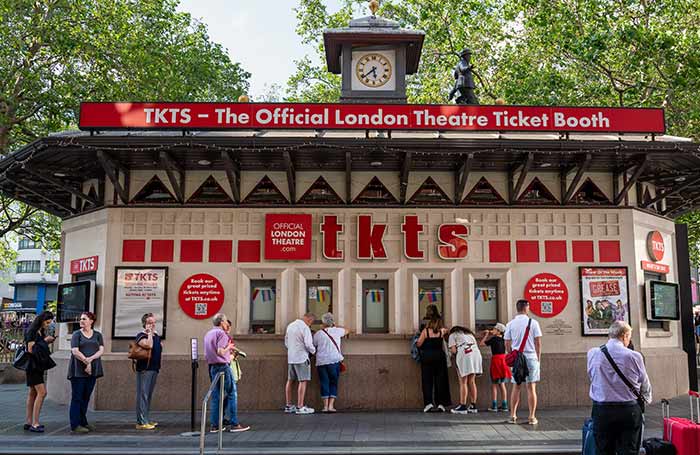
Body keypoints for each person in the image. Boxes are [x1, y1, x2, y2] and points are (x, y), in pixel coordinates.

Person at [587, 321, 652, 455]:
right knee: (629, 450)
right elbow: (645, 383)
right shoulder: (634, 356)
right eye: (629, 337)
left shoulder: (593, 353)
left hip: (602, 410)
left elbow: (592, 377)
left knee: (603, 450)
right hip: (628, 410)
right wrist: (646, 400)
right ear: (624, 336)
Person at [203, 313, 249, 432]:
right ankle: (234, 424)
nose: (226, 323)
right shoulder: (221, 334)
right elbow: (220, 351)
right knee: (232, 393)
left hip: (212, 366)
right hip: (223, 366)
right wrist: (229, 347)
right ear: (222, 322)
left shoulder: (208, 334)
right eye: (225, 321)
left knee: (216, 396)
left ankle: (215, 425)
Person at [504, 299, 542, 425]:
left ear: (517, 308)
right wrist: (538, 358)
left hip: (517, 359)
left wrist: (512, 355)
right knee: (531, 388)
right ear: (527, 308)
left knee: (516, 387)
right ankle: (532, 417)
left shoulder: (510, 324)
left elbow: (507, 343)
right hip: (531, 357)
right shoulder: (534, 323)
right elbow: (538, 342)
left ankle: (513, 415)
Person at [68, 312, 104, 433]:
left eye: (84, 319)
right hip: (78, 370)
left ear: (91, 321)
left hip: (92, 370)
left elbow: (101, 350)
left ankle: (83, 422)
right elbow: (75, 351)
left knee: (86, 397)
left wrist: (90, 360)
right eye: (81, 319)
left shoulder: (98, 335)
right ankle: (75, 424)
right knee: (77, 397)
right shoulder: (76, 334)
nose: (81, 321)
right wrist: (86, 362)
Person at [23, 311, 56, 433]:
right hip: (33, 366)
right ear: (41, 320)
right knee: (42, 393)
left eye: (50, 322)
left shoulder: (39, 331)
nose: (48, 325)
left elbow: (37, 346)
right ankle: (35, 423)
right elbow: (31, 349)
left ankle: (28, 421)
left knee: (32, 393)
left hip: (37, 366)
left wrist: (46, 341)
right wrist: (44, 341)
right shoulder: (32, 331)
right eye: (47, 322)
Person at [312, 312, 347, 413]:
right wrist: (336, 326)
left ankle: (325, 406)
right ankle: (331, 406)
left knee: (324, 382)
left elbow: (314, 344)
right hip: (334, 361)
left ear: (323, 322)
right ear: (332, 322)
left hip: (322, 362)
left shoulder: (318, 334)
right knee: (333, 382)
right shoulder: (337, 331)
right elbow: (347, 330)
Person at [416, 313, 451, 412]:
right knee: (440, 381)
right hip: (439, 357)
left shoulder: (425, 331)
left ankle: (428, 403)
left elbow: (419, 343)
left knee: (427, 380)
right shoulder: (441, 331)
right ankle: (440, 404)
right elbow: (448, 331)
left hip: (427, 357)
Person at [134, 313, 162, 430]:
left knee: (148, 395)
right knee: (143, 395)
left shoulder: (155, 335)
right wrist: (149, 333)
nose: (153, 324)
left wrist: (153, 335)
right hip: (145, 369)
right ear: (144, 323)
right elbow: (149, 345)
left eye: (154, 322)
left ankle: (146, 418)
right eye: (150, 322)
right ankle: (141, 422)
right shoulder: (141, 335)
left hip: (154, 368)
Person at [284, 312, 316, 415]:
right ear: (309, 320)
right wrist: (314, 351)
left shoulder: (290, 325)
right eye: (312, 322)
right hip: (301, 357)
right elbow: (308, 344)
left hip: (291, 357)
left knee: (290, 380)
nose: (311, 324)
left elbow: (286, 342)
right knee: (303, 381)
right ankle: (300, 406)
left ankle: (288, 405)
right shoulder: (305, 328)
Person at [448, 325, 482, 414]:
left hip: (464, 354)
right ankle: (473, 405)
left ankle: (462, 406)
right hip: (476, 354)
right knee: (472, 381)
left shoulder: (452, 335)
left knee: (463, 382)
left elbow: (454, 350)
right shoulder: (470, 334)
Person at [479, 323, 511, 412]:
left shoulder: (493, 339)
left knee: (494, 385)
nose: (492, 330)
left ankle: (494, 405)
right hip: (503, 361)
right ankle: (504, 405)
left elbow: (481, 344)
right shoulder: (504, 339)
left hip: (496, 361)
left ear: (498, 331)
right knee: (502, 384)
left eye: (494, 329)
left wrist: (486, 335)